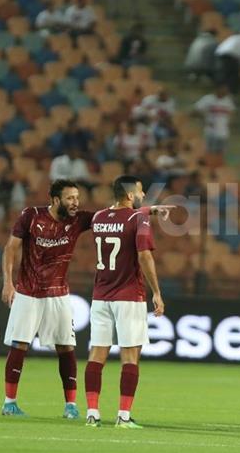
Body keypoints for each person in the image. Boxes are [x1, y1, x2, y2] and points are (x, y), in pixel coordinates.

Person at [0, 180, 92, 419]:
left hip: (59, 293)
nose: (75, 203)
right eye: (70, 198)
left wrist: (146, 211)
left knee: (67, 347)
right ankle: (9, 402)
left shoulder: (78, 220)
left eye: (77, 198)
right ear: (55, 200)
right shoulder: (31, 216)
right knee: (20, 344)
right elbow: (11, 248)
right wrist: (8, 283)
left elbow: (112, 218)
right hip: (28, 291)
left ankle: (70, 405)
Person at [84, 175, 165, 428]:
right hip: (129, 296)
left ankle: (92, 413)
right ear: (130, 195)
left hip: (100, 296)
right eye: (140, 192)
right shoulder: (138, 218)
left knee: (97, 354)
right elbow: (144, 256)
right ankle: (123, 416)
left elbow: (119, 218)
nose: (142, 196)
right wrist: (157, 292)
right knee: (130, 356)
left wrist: (148, 210)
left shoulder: (98, 218)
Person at [194, 85, 235, 155]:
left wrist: (229, 122)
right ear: (218, 89)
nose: (225, 92)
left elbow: (232, 111)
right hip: (211, 129)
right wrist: (204, 120)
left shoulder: (228, 100)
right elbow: (196, 111)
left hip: (223, 131)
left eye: (226, 91)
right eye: (223, 90)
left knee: (221, 151)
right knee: (210, 151)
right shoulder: (208, 98)